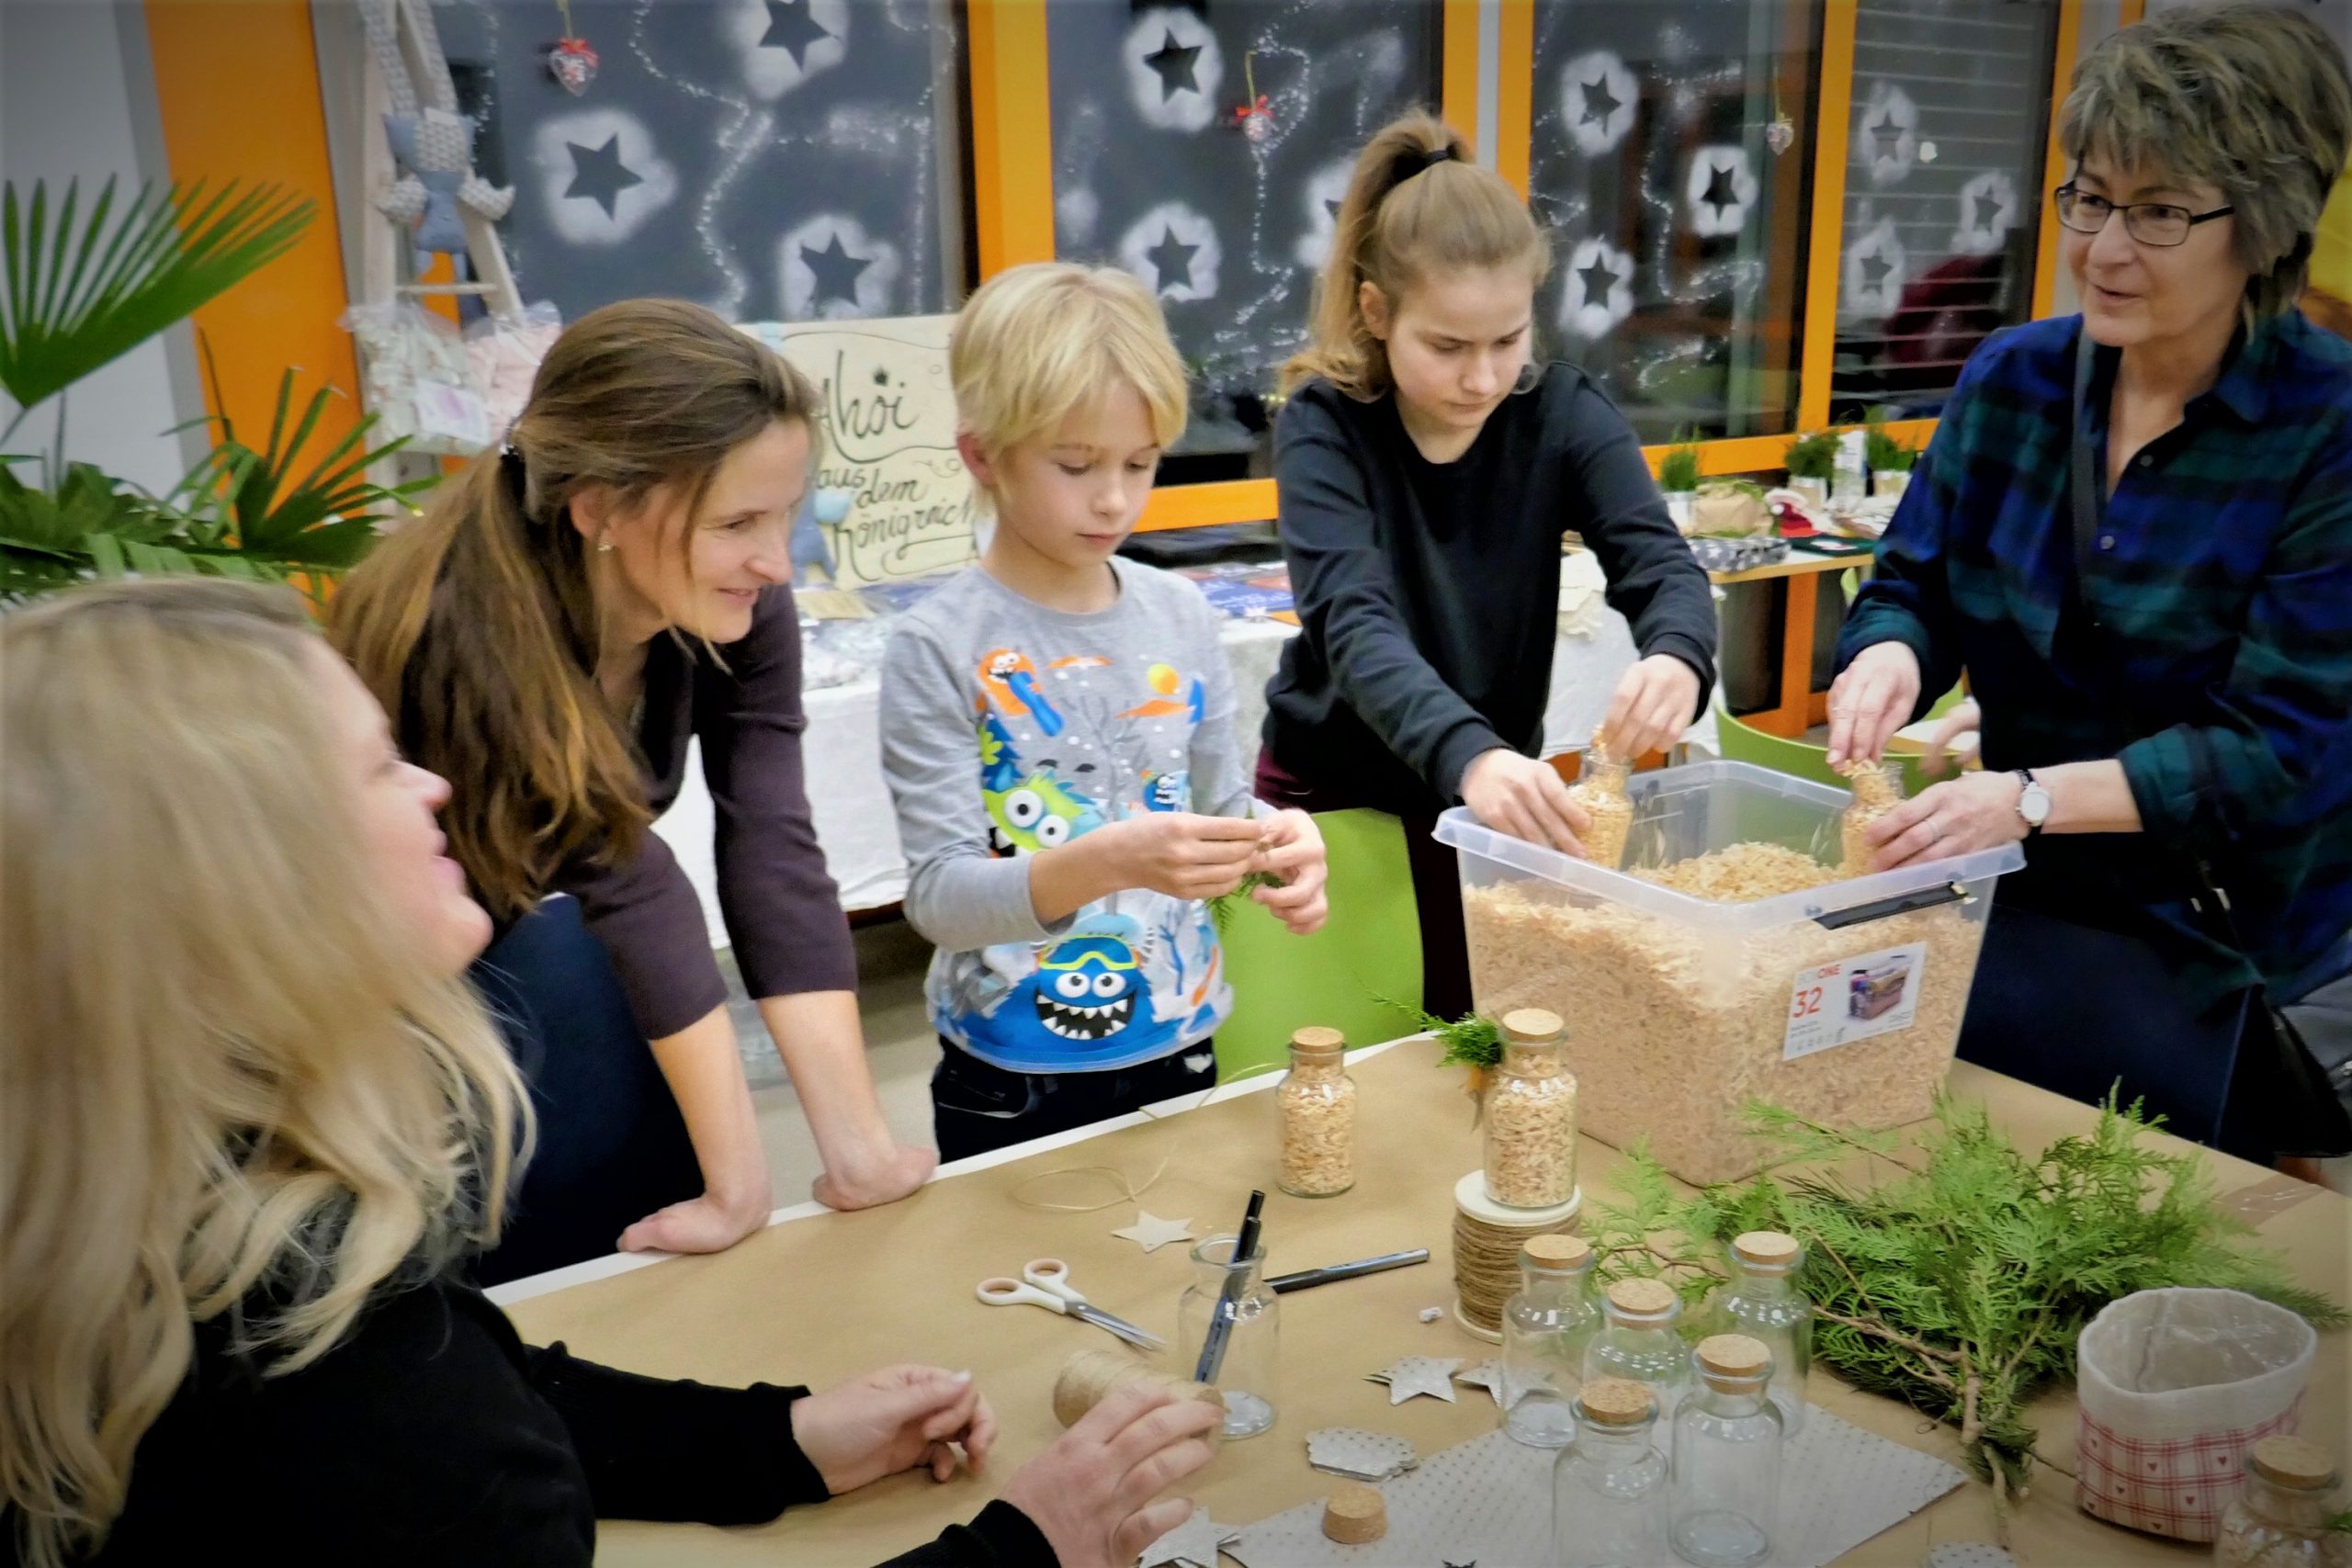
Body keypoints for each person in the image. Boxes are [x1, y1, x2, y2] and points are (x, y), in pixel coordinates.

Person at [0, 579, 1219, 1568]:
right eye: (376, 766)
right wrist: (1031, 1545)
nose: (432, 783)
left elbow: (488, 1376)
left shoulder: (170, 1220)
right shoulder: (330, 1380)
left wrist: (772, 1438)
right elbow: (433, 1421)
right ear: (246, 882)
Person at [1827, 4, 2352, 1164]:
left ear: (2263, 228)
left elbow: (2272, 751)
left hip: (2214, 956)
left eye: (2159, 212)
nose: (2103, 248)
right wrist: (1888, 654)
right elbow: (1910, 579)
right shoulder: (2010, 382)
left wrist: (2020, 797)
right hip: (2015, 926)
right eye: (2091, 196)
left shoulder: (2327, 429)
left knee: (2183, 1259)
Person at [333, 299, 933, 1266]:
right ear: (601, 509)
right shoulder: (456, 626)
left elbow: (772, 842)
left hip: (547, 941)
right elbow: (623, 868)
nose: (774, 561)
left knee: (657, 1182)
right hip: (393, 1005)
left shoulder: (734, 598)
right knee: (543, 1246)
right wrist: (737, 1185)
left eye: (783, 513)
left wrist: (857, 1146)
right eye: (738, 521)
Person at [1260, 110, 1720, 1020]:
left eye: (1507, 342)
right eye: (1447, 346)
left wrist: (1677, 652)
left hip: (1479, 804)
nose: (1481, 378)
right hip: (1334, 803)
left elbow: (1660, 564)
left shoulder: (1561, 415)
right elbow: (1354, 628)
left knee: (1472, 1038)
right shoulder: (1324, 428)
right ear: (1375, 312)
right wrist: (1471, 752)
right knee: (1333, 1050)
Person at [882, 263, 1330, 1160]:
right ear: (983, 455)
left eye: (1140, 462)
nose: (1115, 499)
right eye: (1076, 465)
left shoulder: (1182, 616)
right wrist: (1100, 863)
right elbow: (939, 899)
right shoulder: (937, 646)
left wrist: (1280, 841)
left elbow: (1220, 819)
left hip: (1179, 1038)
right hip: (1007, 1073)